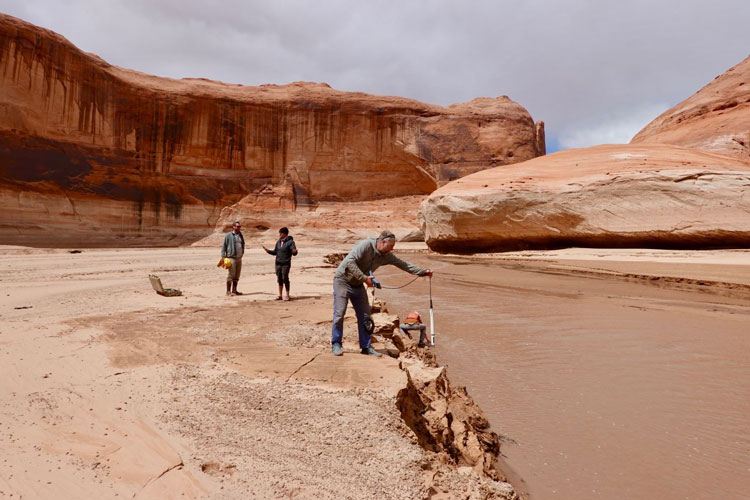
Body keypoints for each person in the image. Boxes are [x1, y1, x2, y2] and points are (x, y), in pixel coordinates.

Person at [331, 230, 432, 357]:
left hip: (357, 284)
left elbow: (403, 264)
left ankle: (366, 347)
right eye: (391, 246)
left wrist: (423, 272)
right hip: (343, 281)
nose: (392, 249)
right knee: (339, 313)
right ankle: (336, 344)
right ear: (383, 242)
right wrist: (364, 278)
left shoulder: (386, 255)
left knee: (366, 317)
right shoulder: (366, 245)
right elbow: (350, 262)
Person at [262, 227, 298, 301]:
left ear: (285, 234)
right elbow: (275, 252)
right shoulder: (278, 242)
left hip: (286, 263)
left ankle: (287, 295)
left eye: (280, 233)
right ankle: (280, 295)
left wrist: (295, 252)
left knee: (285, 278)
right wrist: (268, 251)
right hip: (278, 263)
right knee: (279, 278)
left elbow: (294, 252)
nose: (279, 234)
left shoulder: (291, 242)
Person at [221, 221, 245, 296]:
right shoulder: (228, 235)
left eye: (239, 227)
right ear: (233, 227)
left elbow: (243, 244)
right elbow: (224, 246)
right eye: (237, 226)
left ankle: (234, 290)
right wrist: (223, 257)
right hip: (231, 257)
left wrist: (242, 253)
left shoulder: (240, 235)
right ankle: (228, 291)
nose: (239, 228)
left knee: (237, 275)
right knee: (231, 274)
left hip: (239, 257)